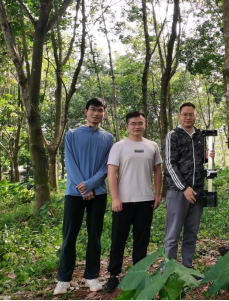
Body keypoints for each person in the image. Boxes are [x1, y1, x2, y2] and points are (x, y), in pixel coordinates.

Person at [54, 98, 114, 295]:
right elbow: (69, 162)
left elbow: (106, 166)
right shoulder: (72, 134)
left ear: (104, 113)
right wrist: (83, 188)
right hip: (74, 193)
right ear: (86, 111)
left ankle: (92, 276)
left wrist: (89, 185)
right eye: (93, 109)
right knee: (69, 235)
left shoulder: (108, 138)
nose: (96, 113)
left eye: (100, 110)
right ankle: (63, 279)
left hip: (98, 193)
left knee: (94, 236)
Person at [104, 111, 162, 293]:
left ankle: (138, 274)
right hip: (124, 201)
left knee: (142, 240)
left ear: (145, 125)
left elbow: (158, 171)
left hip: (145, 200)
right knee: (118, 239)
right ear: (127, 126)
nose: (137, 126)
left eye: (140, 123)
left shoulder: (152, 146)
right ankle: (113, 275)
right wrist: (115, 197)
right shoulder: (119, 147)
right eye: (133, 123)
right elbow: (111, 173)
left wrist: (157, 194)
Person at [163, 102, 215, 270]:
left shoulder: (200, 135)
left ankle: (187, 268)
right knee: (172, 235)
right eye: (185, 114)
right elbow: (169, 164)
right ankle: (169, 271)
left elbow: (198, 161)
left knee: (191, 234)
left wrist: (206, 157)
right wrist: (184, 188)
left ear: (195, 116)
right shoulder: (173, 135)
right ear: (179, 116)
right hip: (178, 192)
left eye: (191, 114)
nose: (188, 117)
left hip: (197, 191)